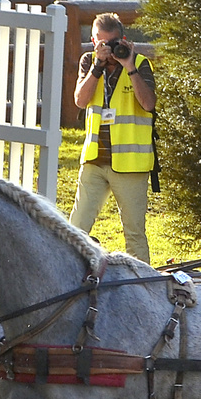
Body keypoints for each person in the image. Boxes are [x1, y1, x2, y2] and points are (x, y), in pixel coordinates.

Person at [68, 13, 156, 263]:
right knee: (76, 229)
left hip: (130, 164)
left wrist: (129, 66)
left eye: (113, 42)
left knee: (134, 234)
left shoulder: (140, 63)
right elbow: (80, 101)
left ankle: (143, 289)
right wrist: (97, 66)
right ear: (93, 41)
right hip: (95, 159)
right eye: (101, 43)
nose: (108, 49)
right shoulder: (89, 62)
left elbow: (148, 104)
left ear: (124, 40)